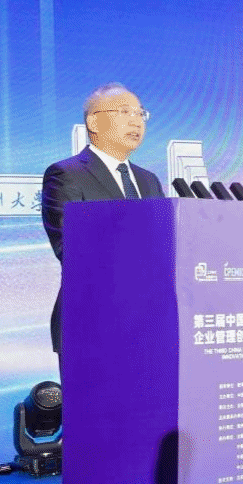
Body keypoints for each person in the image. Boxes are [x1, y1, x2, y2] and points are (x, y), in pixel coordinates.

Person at [41, 83, 164, 353]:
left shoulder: (149, 180)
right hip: (92, 322)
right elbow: (71, 249)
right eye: (124, 112)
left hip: (150, 322)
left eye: (140, 114)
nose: (136, 121)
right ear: (94, 122)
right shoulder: (66, 175)